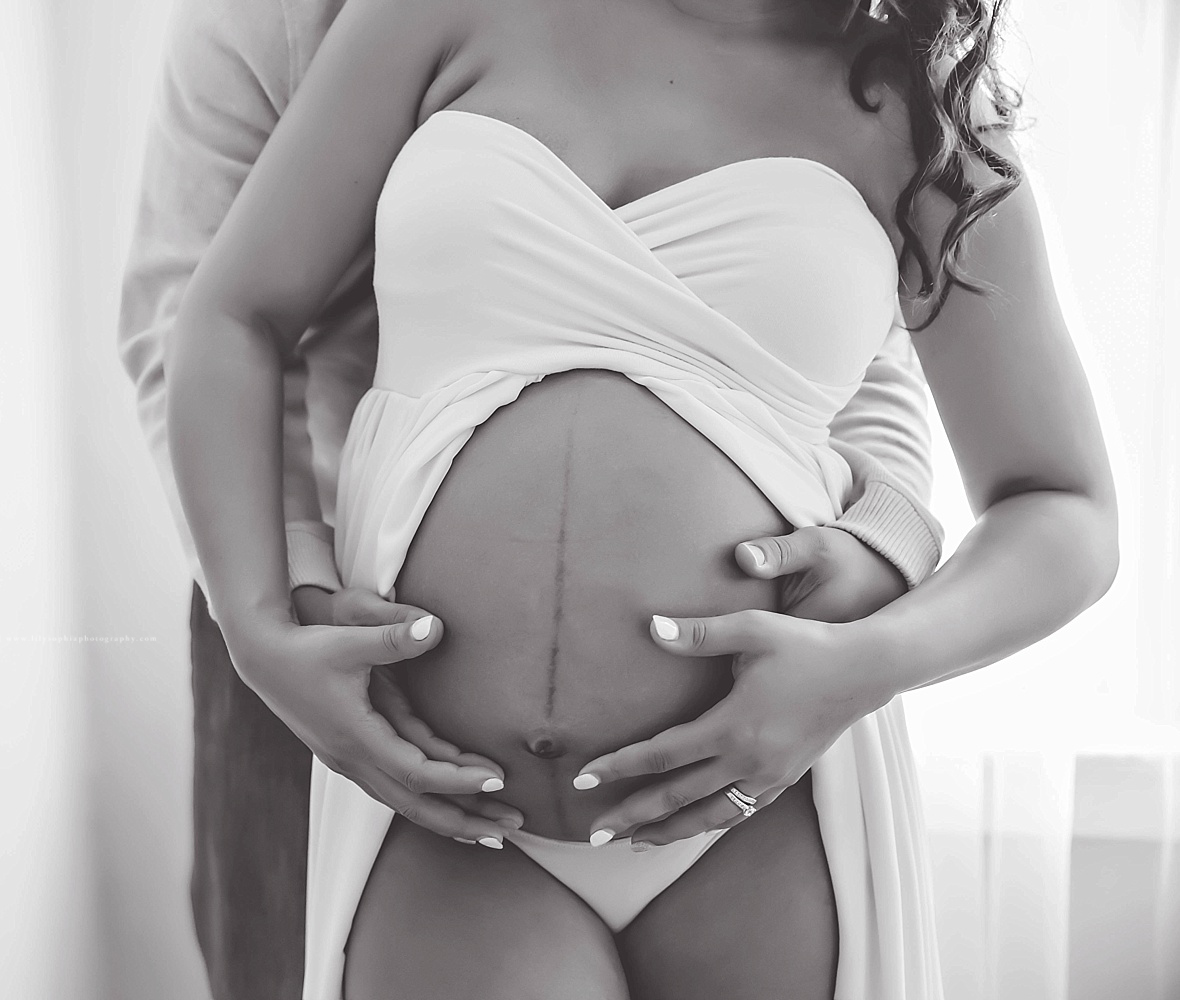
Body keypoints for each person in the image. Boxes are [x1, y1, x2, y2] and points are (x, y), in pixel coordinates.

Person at [161, 0, 1121, 994]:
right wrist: (259, 622)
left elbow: (1063, 507)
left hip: (757, 813)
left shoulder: (922, 108)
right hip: (446, 811)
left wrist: (866, 660)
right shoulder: (432, 14)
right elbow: (230, 314)